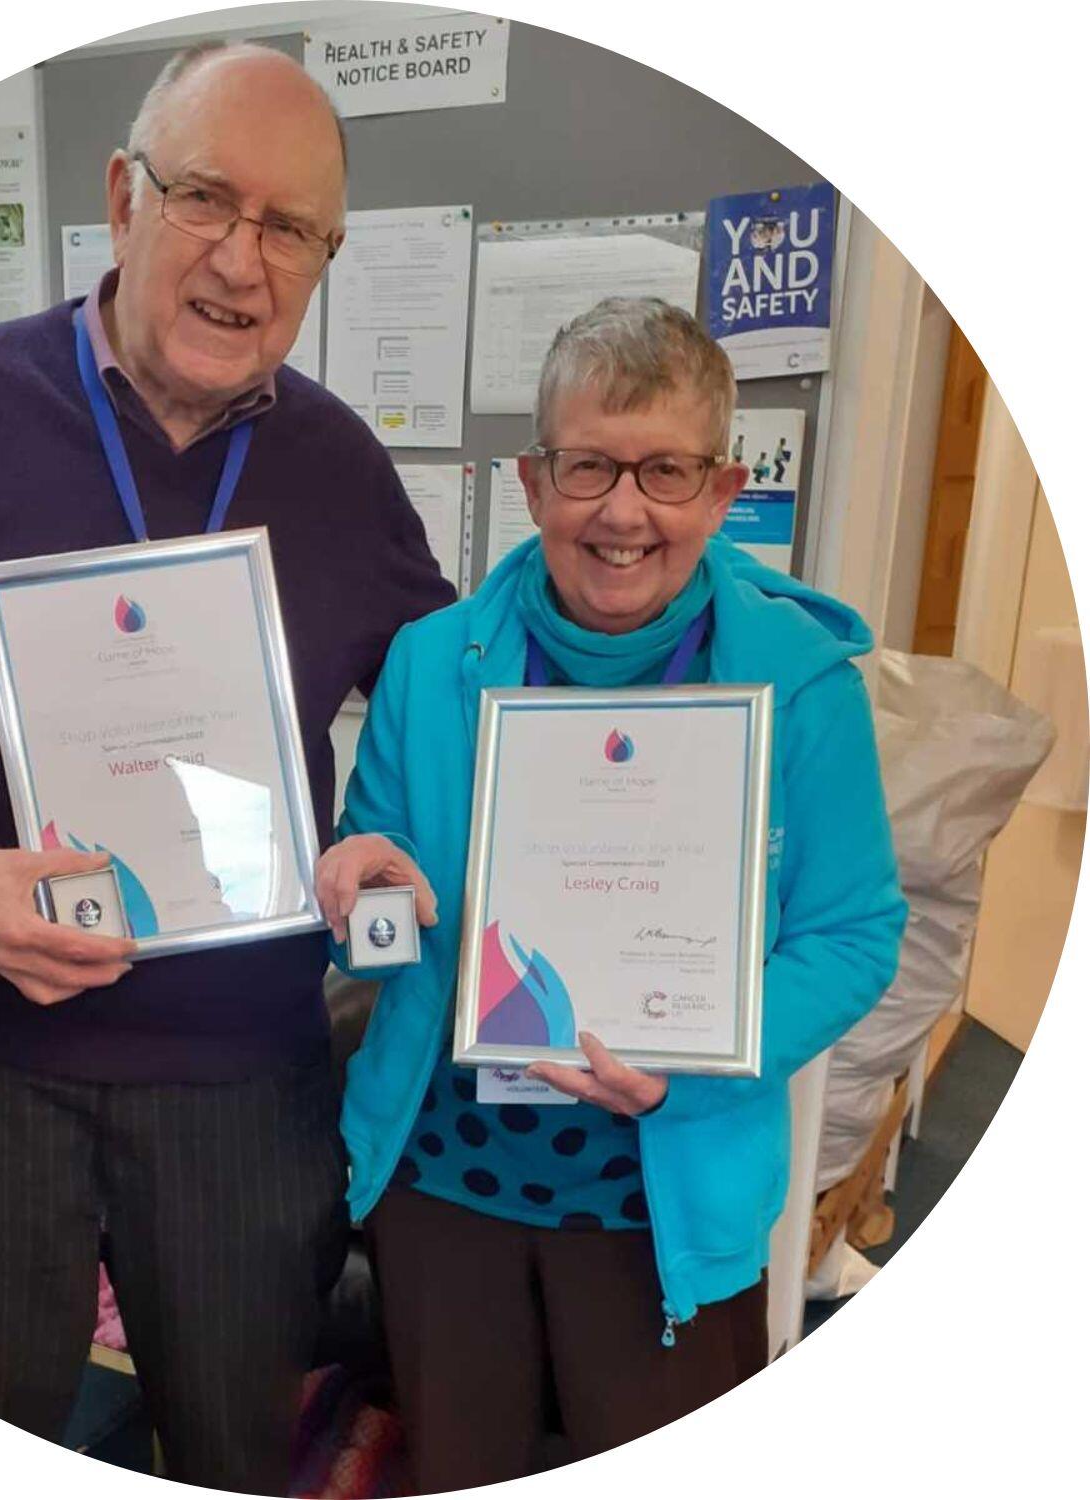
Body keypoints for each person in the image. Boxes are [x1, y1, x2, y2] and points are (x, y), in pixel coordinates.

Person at [0, 42, 452, 1493]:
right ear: (123, 196)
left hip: (242, 1087)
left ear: (324, 257)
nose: (241, 262)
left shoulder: (340, 470)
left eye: (292, 231)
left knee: (233, 1450)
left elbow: (436, 707)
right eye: (208, 199)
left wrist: (381, 836)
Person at [316, 298, 906, 1490]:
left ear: (723, 487)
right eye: (588, 466)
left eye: (667, 471)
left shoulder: (800, 682)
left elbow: (854, 935)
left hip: (665, 1196)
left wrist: (702, 1047)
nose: (624, 511)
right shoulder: (433, 663)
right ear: (534, 483)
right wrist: (358, 891)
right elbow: (379, 918)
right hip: (449, 1188)